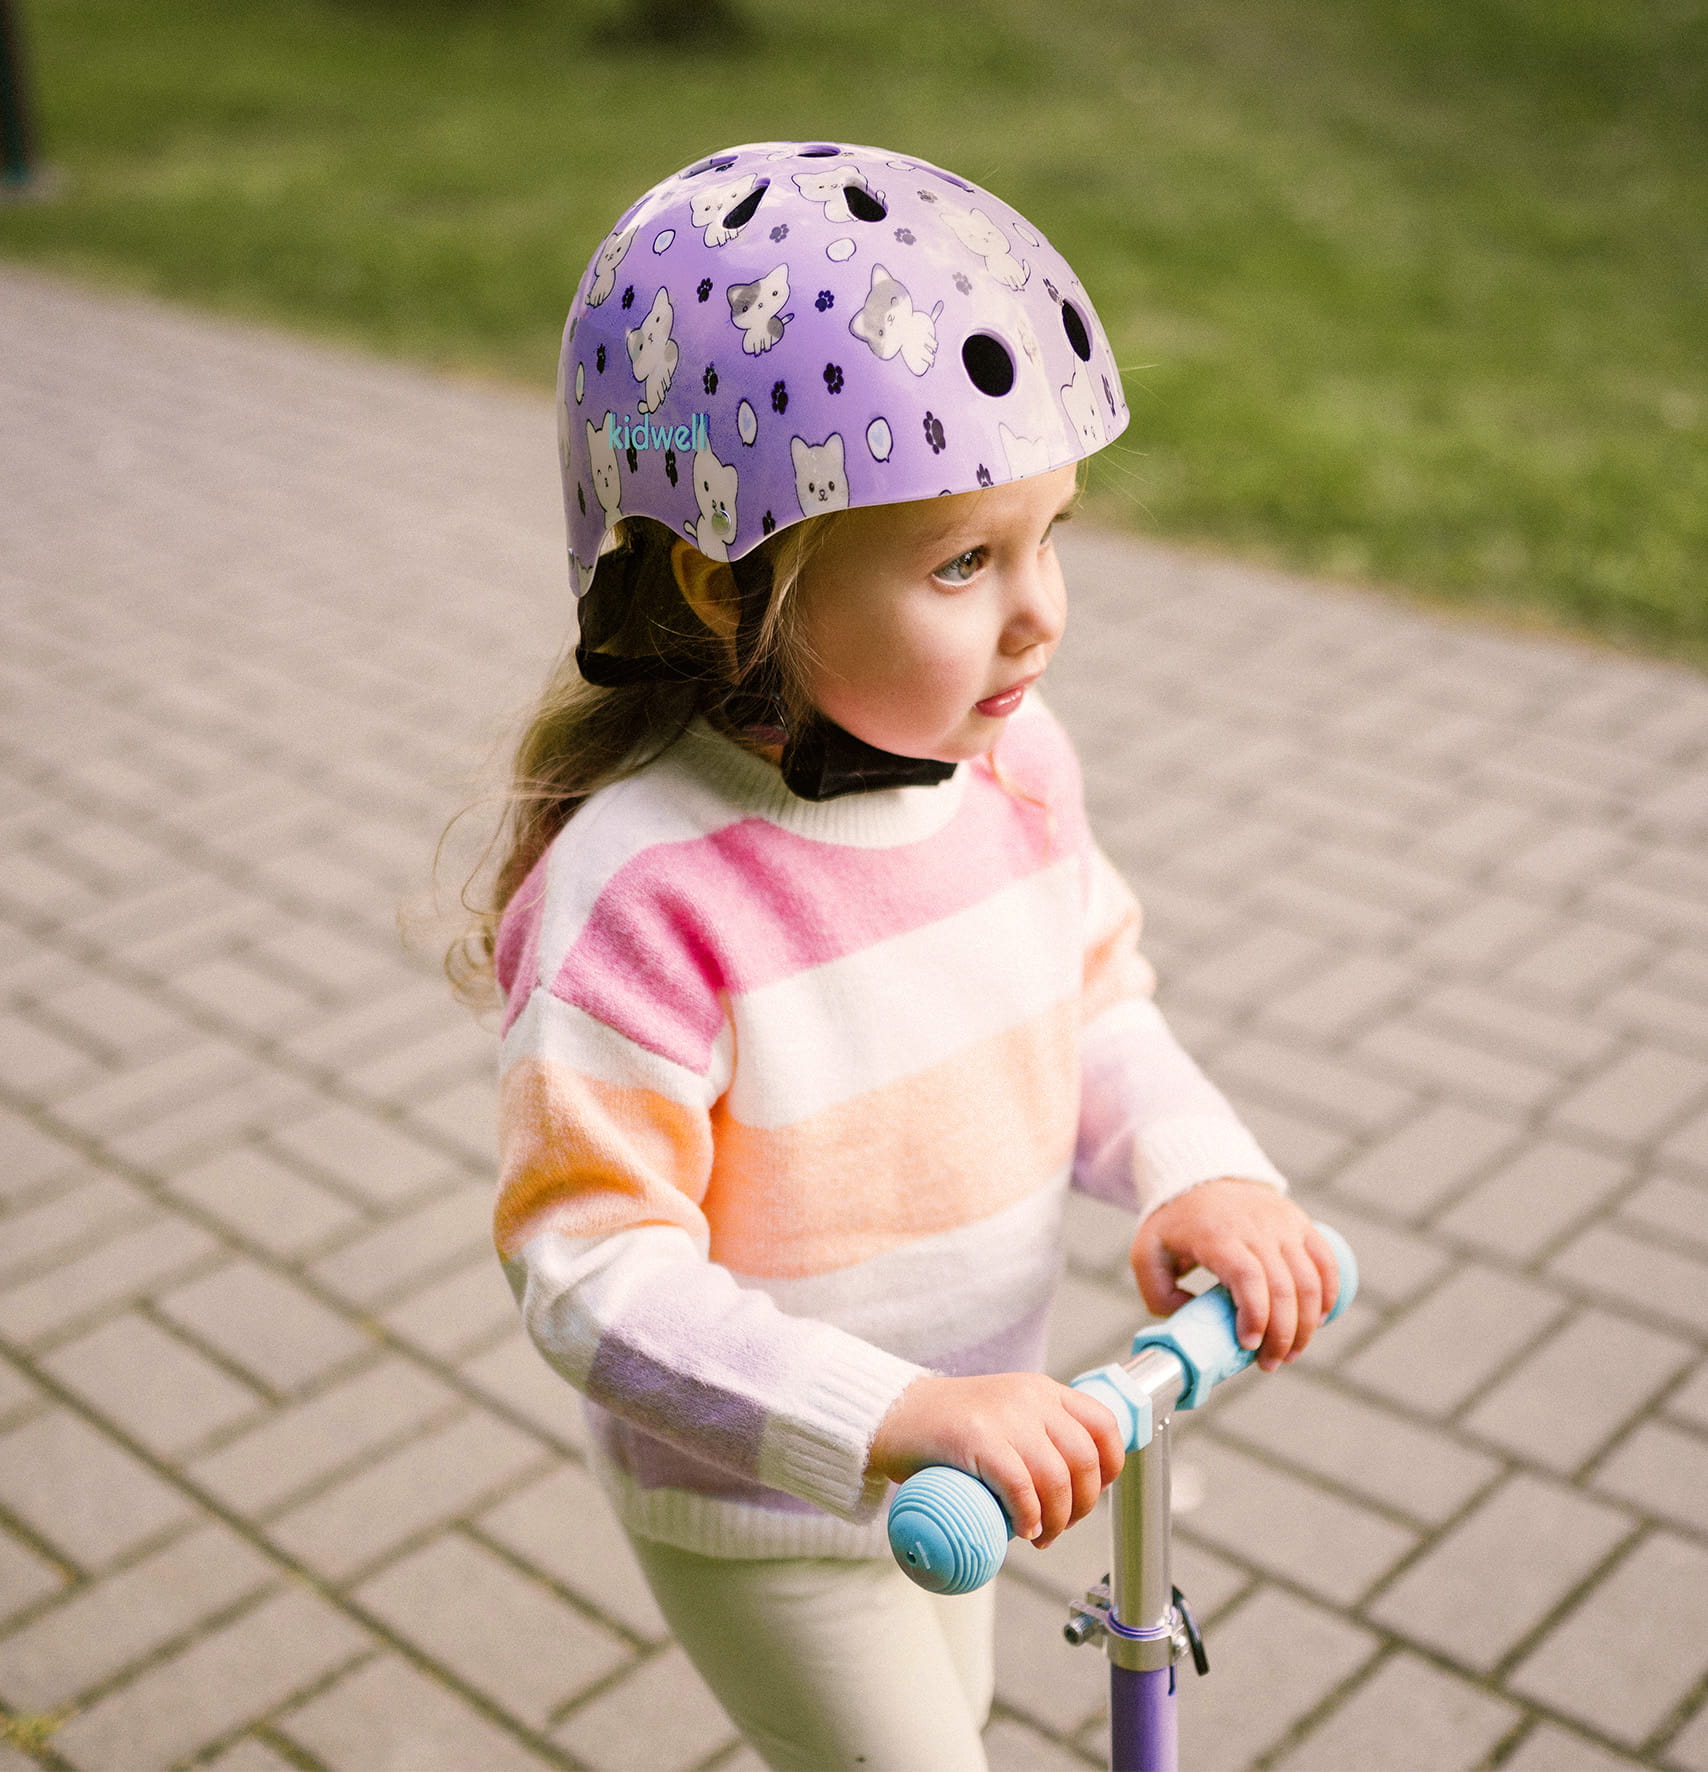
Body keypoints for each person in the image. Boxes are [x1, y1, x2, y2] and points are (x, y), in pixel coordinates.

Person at [457, 140, 1341, 1772]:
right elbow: (591, 1272)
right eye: (962, 562)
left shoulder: (1014, 767)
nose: (1040, 613)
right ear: (728, 586)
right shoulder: (644, 896)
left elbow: (1092, 1002)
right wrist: (895, 1415)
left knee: (960, 1727)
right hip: (770, 1508)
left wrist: (1197, 1172)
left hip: (971, 1464)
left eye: (1049, 536)